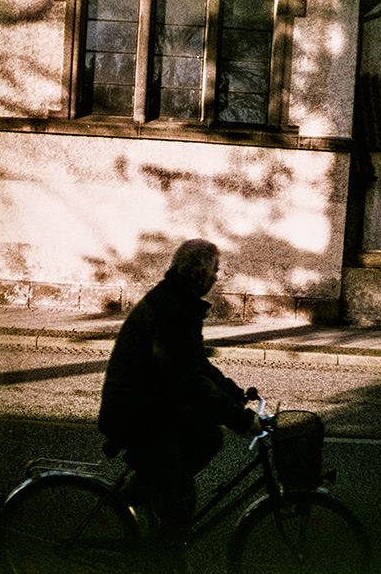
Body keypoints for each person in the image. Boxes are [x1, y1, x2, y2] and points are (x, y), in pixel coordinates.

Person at [98, 239, 260, 571]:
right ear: (199, 274)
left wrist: (234, 394)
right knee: (180, 498)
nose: (216, 277)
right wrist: (239, 420)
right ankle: (155, 559)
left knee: (208, 437)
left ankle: (143, 490)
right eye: (214, 271)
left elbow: (196, 363)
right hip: (136, 413)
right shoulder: (172, 311)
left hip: (153, 406)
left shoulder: (179, 303)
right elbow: (187, 381)